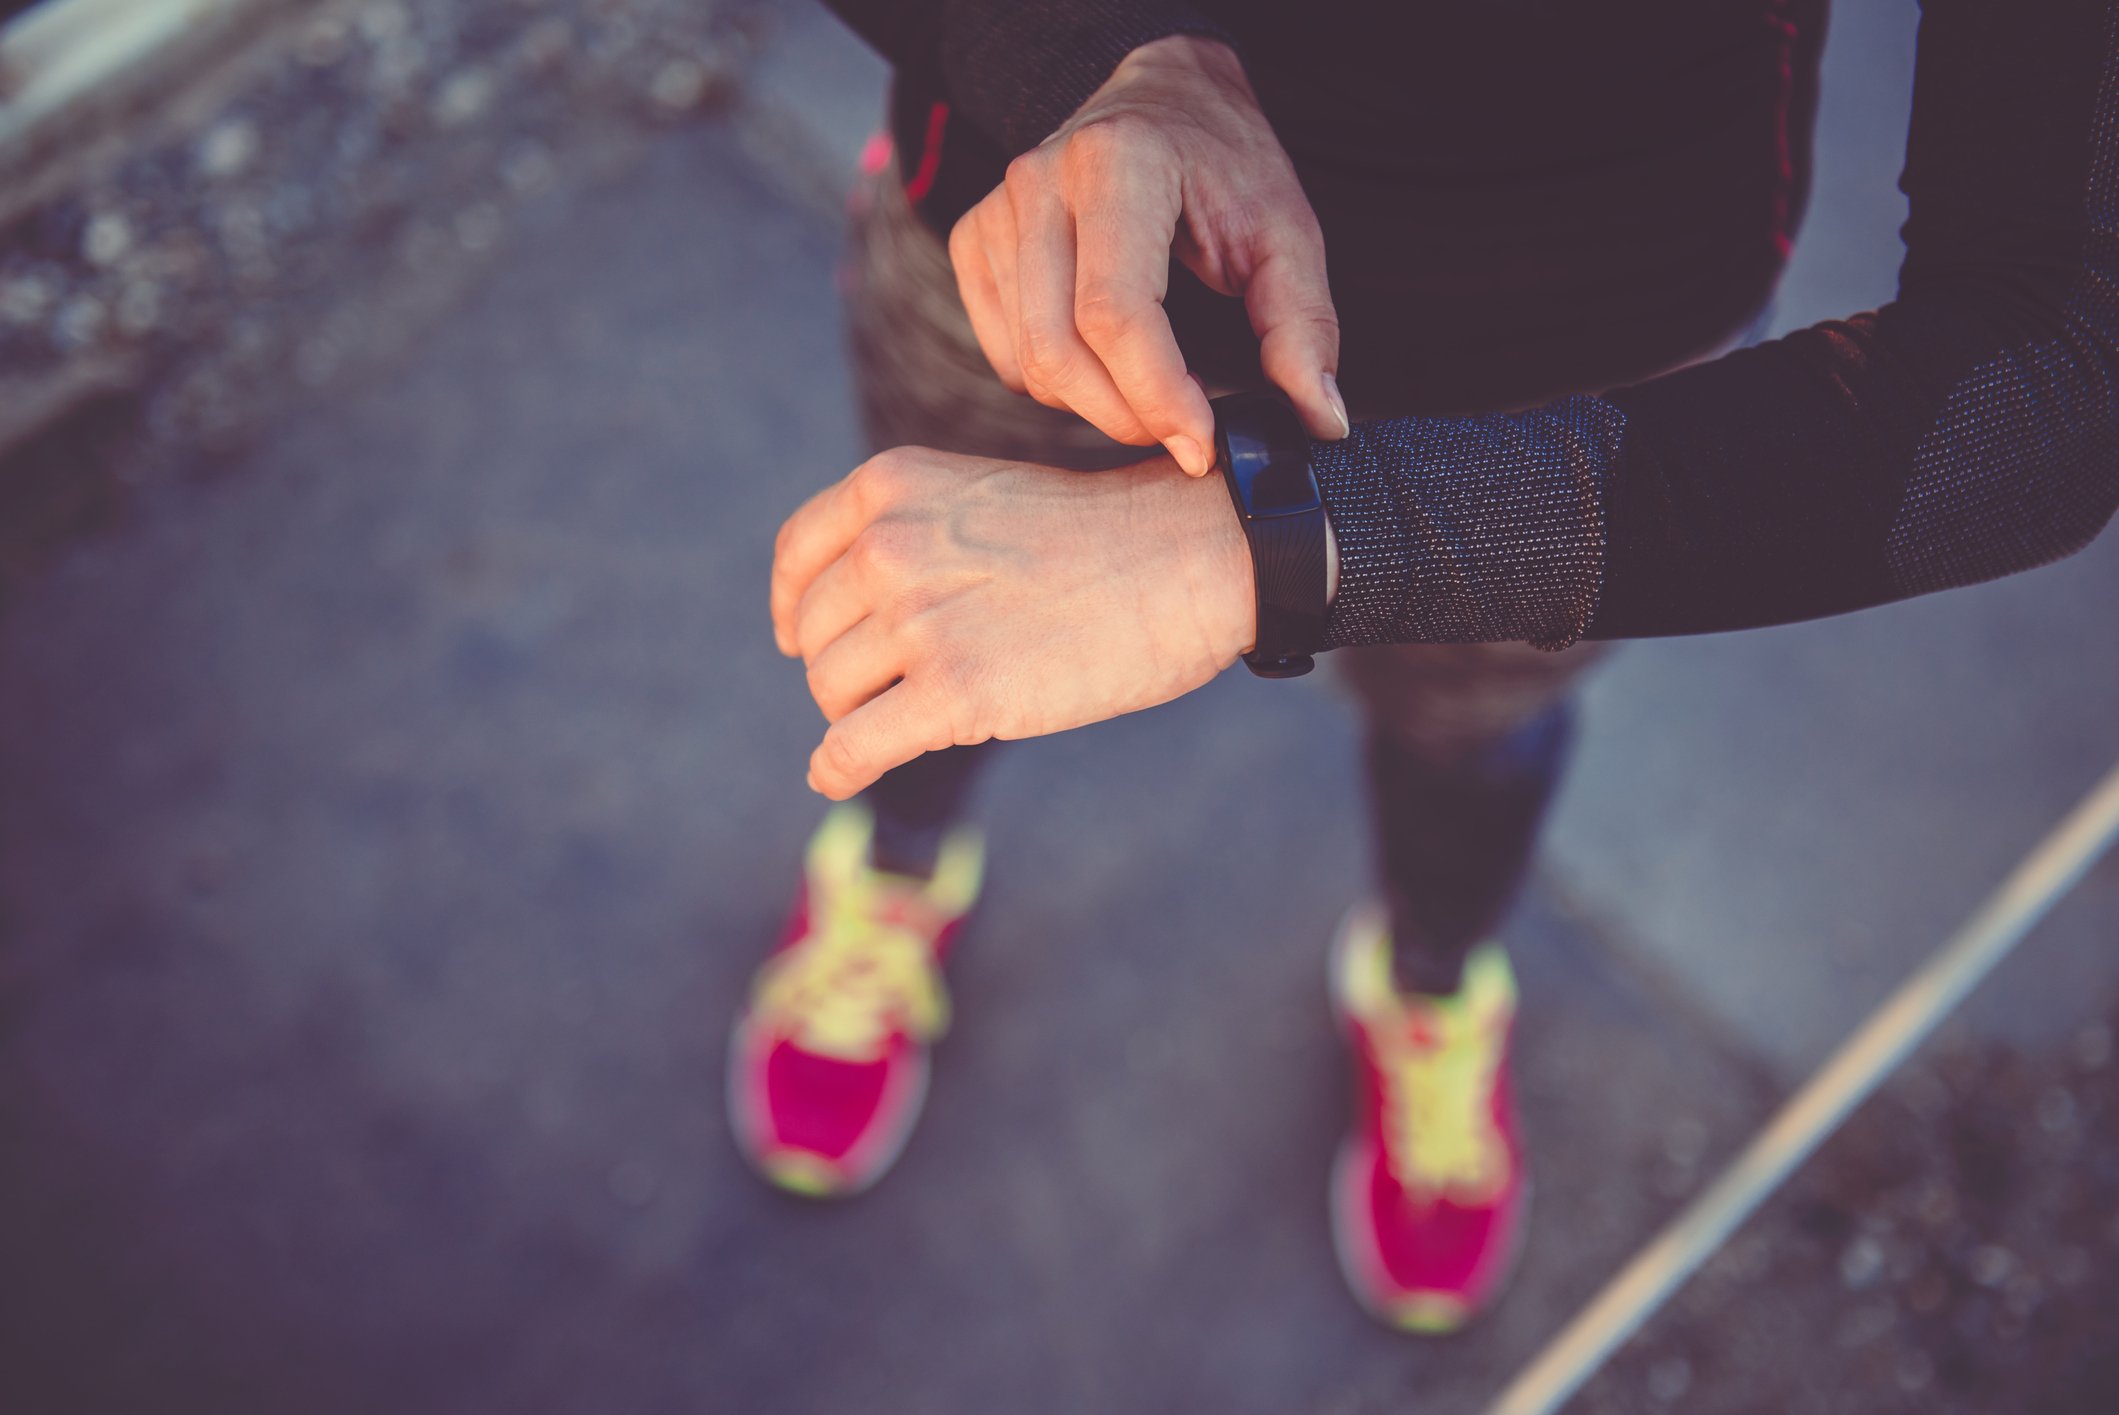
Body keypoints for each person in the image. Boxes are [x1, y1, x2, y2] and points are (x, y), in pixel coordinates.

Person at [727, 0, 2119, 1331]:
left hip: (1581, 356)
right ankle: (895, 869)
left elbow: (2056, 369)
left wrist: (1272, 550)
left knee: (1474, 733)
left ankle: (1431, 981)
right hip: (1056, 225)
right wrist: (1098, 56)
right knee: (937, 625)